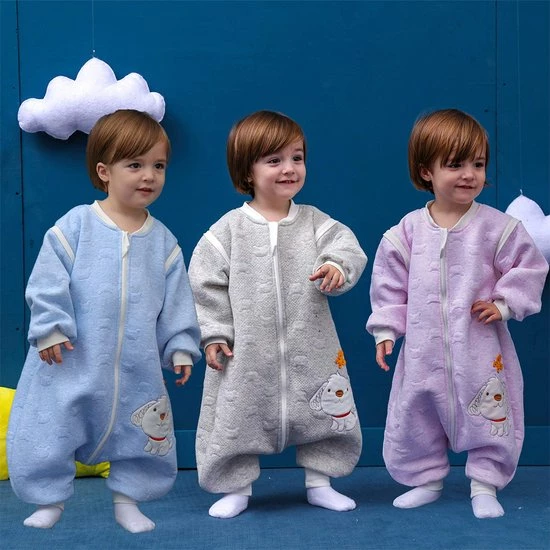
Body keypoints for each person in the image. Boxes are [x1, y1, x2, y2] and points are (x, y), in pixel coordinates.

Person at [7, 109, 201, 532]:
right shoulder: (76, 225)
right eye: (135, 165)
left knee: (140, 435)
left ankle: (128, 501)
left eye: (159, 166)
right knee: (49, 429)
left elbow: (177, 302)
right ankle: (49, 499)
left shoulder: (164, 242)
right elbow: (47, 282)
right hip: (69, 360)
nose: (149, 176)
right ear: (104, 171)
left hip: (136, 368)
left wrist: (181, 345)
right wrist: (50, 327)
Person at [366, 109, 548, 519]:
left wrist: (503, 303)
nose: (469, 174)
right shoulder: (407, 232)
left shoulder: (498, 228)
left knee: (490, 411)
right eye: (454, 164)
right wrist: (385, 331)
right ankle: (425, 480)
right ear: (425, 171)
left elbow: (530, 268)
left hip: (480, 350)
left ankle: (484, 484)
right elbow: (389, 285)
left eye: (478, 164)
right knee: (416, 413)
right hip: (422, 353)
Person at [188, 110, 367, 519]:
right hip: (245, 355)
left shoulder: (315, 223)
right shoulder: (226, 231)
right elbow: (204, 286)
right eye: (274, 160)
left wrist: (336, 267)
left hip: (311, 346)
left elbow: (347, 248)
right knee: (236, 417)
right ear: (247, 171)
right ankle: (236, 488)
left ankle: (320, 483)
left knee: (326, 410)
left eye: (297, 158)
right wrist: (214, 334)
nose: (289, 168)